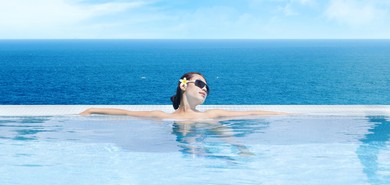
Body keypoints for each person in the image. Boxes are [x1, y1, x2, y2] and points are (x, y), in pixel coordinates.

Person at [80, 72, 284, 119]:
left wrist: (281, 115)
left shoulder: (210, 114)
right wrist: (92, 110)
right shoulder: (163, 117)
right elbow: (126, 114)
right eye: (201, 84)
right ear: (184, 86)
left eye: (207, 87)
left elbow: (249, 114)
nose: (205, 89)